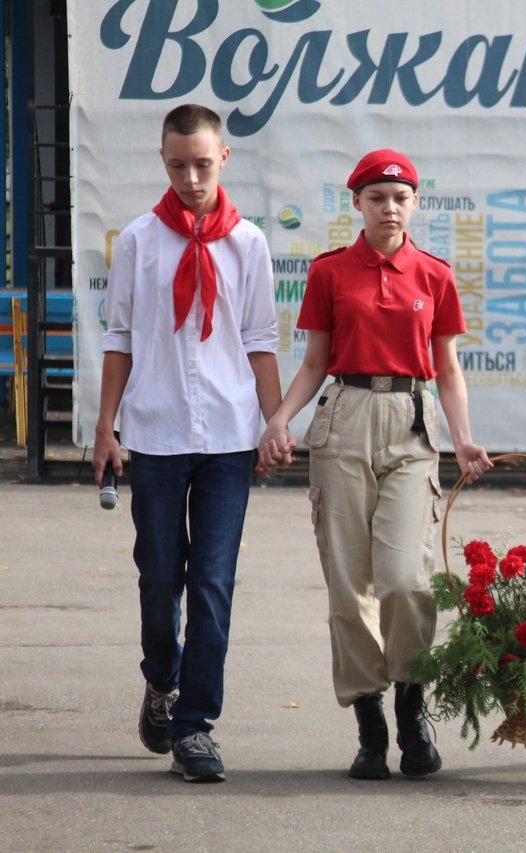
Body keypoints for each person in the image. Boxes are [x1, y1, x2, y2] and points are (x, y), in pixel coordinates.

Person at [257, 149, 492, 781]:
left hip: (412, 425)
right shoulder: (332, 272)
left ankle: (412, 707)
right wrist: (280, 419)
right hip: (343, 419)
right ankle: (369, 724)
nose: (390, 207)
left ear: (416, 203)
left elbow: (446, 368)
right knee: (347, 583)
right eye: (377, 197)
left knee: (404, 578)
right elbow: (314, 361)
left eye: (401, 196)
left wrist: (465, 439)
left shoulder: (434, 275)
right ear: (356, 203)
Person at [93, 103, 281, 783]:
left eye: (203, 163)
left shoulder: (250, 243)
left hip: (230, 434)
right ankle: (161, 678)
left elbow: (259, 339)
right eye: (178, 165)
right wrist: (106, 426)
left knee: (211, 583)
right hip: (158, 430)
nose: (192, 177)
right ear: (163, 161)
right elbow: (119, 336)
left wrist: (276, 419)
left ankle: (195, 725)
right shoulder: (141, 241)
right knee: (159, 577)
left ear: (223, 158)